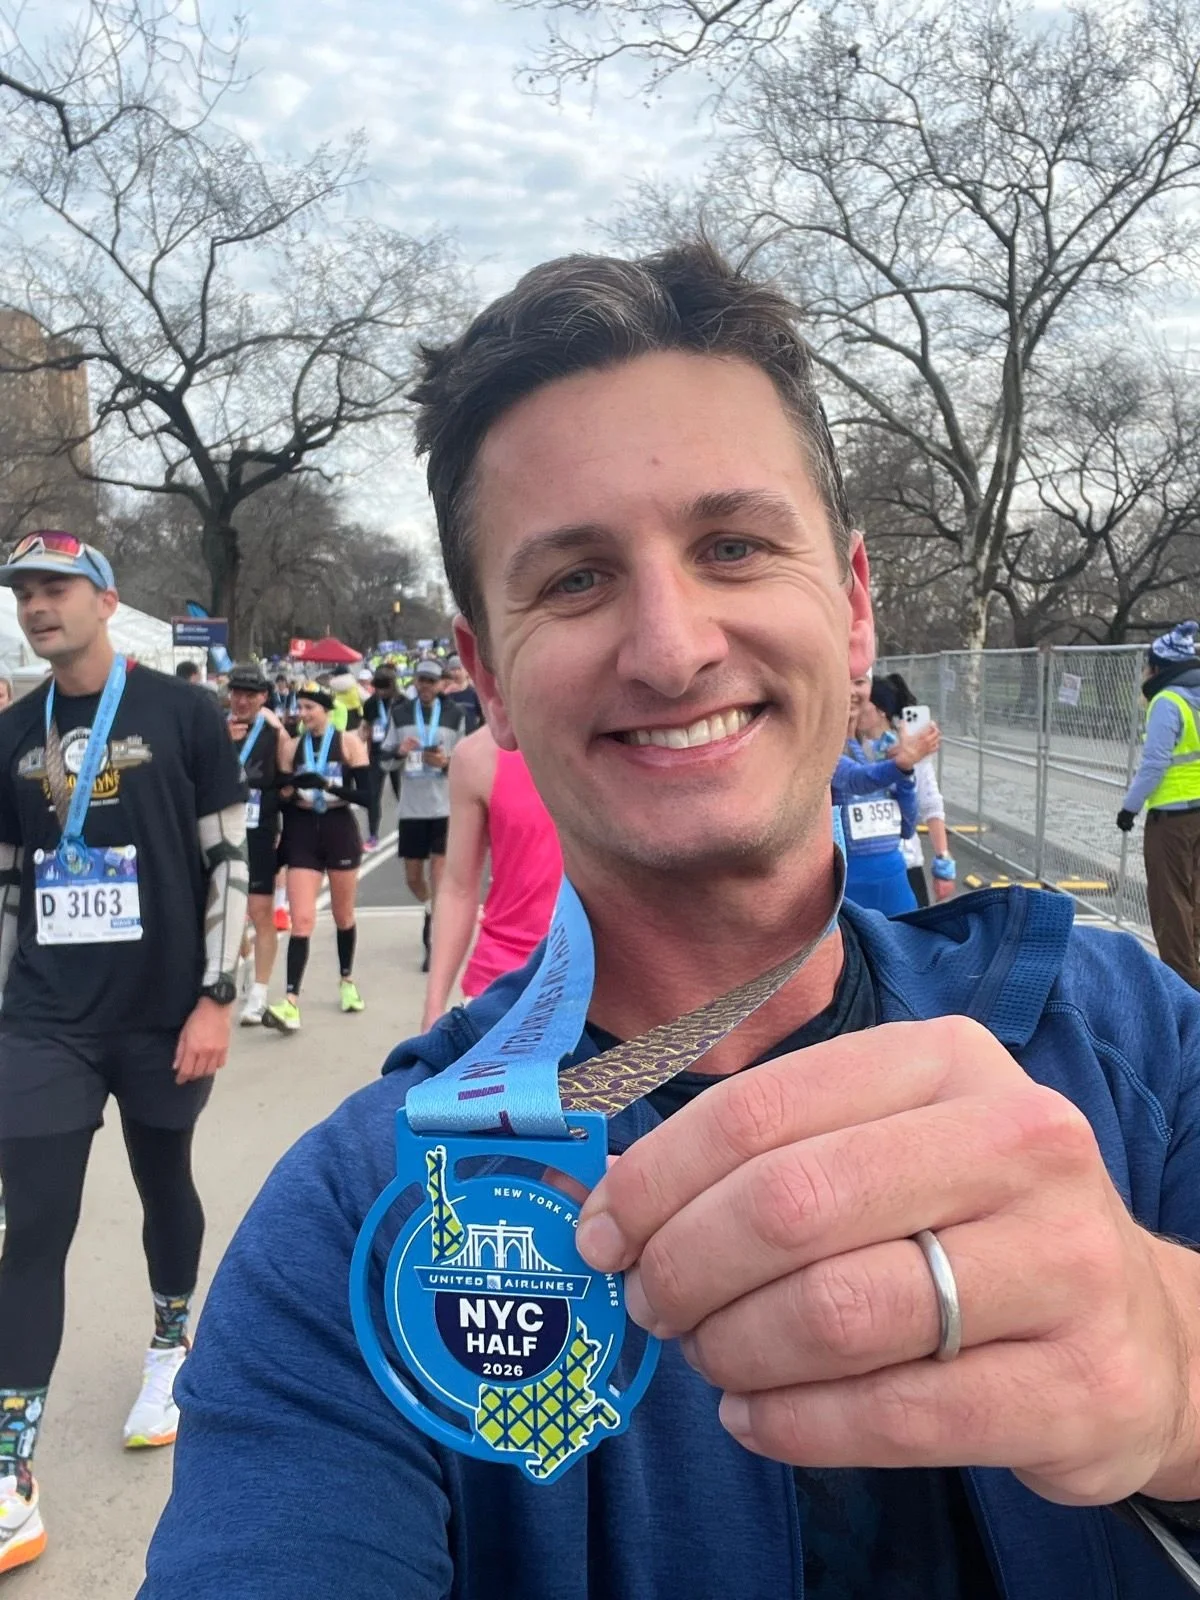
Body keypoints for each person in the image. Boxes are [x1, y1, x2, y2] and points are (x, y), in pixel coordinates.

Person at [144, 245, 1200, 1600]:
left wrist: (1176, 1378)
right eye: (575, 580)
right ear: (487, 678)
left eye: (734, 547)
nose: (671, 645)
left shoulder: (1135, 1046)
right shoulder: (363, 1216)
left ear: (855, 603)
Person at [0, 530, 246, 1577]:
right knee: (33, 1228)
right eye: (23, 592)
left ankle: (168, 1344)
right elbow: (9, 882)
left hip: (160, 1013)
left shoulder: (184, 712)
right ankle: (10, 1472)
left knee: (162, 1182)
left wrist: (219, 998)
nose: (36, 606)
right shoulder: (12, 732)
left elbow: (229, 858)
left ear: (105, 599)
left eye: (55, 587)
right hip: (45, 1019)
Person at [420, 724, 562, 1030]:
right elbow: (458, 887)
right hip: (504, 979)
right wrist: (433, 1008)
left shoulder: (617, 738)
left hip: (606, 987)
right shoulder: (478, 755)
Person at [263, 682, 369, 1032]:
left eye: (310, 707)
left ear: (326, 710)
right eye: (300, 707)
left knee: (343, 915)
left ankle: (347, 980)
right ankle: (290, 1001)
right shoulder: (291, 747)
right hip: (303, 831)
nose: (303, 713)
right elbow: (278, 796)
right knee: (302, 919)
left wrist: (328, 786)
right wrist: (288, 790)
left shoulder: (349, 743)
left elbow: (367, 795)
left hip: (339, 829)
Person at [1118, 621, 1200, 989]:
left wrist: (1129, 808)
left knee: (1170, 903)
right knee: (1194, 898)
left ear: (1159, 667)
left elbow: (1155, 763)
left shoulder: (1168, 701)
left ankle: (1182, 989)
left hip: (1172, 818)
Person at [380, 657, 465, 973]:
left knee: (439, 879)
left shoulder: (456, 714)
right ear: (415, 682)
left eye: (431, 681)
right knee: (414, 879)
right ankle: (431, 909)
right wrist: (400, 752)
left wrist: (445, 763)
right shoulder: (400, 713)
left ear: (442, 683)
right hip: (412, 809)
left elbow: (466, 763)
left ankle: (434, 944)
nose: (426, 686)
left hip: (444, 808)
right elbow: (384, 761)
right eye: (421, 680)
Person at [834, 675, 938, 916]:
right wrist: (902, 764)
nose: (851, 691)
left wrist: (905, 775)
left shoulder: (877, 751)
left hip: (895, 885)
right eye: (844, 679)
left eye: (859, 682)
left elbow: (907, 827)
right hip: (847, 891)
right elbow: (855, 779)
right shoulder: (822, 751)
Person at [224, 663, 290, 1026]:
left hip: (259, 831)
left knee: (260, 911)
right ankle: (246, 958)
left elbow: (288, 780)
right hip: (221, 832)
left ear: (263, 697)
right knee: (227, 911)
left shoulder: (274, 735)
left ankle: (260, 994)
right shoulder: (215, 729)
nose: (242, 701)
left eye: (250, 695)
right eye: (236, 693)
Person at [857, 671, 956, 906]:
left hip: (905, 864)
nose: (856, 709)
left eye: (863, 702)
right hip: (860, 867)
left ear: (881, 710)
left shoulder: (912, 749)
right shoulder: (848, 750)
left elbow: (931, 803)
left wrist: (943, 862)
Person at [362, 665, 401, 851]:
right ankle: (372, 835)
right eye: (378, 687)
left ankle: (407, 829)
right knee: (372, 796)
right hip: (377, 755)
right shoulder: (370, 703)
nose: (381, 692)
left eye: (384, 687)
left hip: (399, 754)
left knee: (402, 794)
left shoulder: (403, 702)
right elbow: (367, 728)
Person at [441, 653, 482, 733]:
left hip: (471, 735)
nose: (456, 673)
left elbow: (482, 717)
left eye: (459, 669)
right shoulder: (446, 694)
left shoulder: (474, 693)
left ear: (466, 671)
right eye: (453, 669)